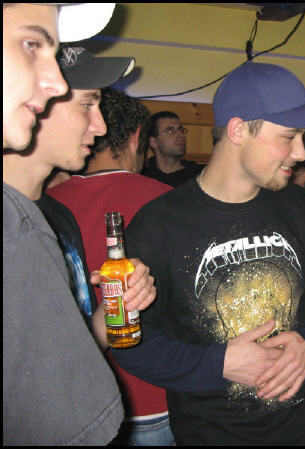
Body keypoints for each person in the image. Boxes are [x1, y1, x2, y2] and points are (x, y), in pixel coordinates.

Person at [110, 61, 305, 445]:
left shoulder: (302, 209)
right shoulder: (158, 225)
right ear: (238, 130)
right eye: (289, 136)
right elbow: (131, 346)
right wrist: (218, 364)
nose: (301, 153)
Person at [3, 4, 127, 445]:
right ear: (43, 107)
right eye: (88, 104)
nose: (101, 126)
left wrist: (107, 317)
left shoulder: (57, 217)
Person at [48, 86, 175, 445]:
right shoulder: (169, 201)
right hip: (161, 395)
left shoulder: (45, 203)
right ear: (136, 137)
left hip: (84, 406)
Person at [141, 111, 203, 187]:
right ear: (153, 142)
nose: (180, 135)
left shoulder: (199, 176)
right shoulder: (143, 177)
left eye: (181, 130)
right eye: (170, 131)